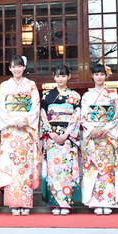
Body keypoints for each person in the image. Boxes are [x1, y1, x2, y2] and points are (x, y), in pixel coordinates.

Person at [0, 55, 41, 216]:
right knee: (11, 166)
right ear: (9, 68)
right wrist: (13, 121)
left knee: (25, 166)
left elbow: (35, 106)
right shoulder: (4, 86)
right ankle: (14, 203)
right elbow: (0, 107)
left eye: (19, 66)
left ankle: (25, 203)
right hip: (11, 131)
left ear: (24, 67)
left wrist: (25, 120)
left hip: (25, 132)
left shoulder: (31, 85)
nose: (16, 69)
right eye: (13, 66)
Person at [80, 63, 118, 215]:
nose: (99, 77)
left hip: (107, 137)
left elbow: (117, 114)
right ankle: (96, 201)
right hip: (94, 137)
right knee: (94, 168)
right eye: (96, 74)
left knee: (107, 168)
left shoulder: (113, 95)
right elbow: (83, 117)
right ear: (92, 75)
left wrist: (106, 129)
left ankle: (108, 200)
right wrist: (92, 130)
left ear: (106, 76)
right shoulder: (87, 96)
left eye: (101, 74)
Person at [40, 64, 81, 215]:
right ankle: (54, 203)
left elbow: (77, 116)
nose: (60, 79)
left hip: (67, 138)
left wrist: (67, 134)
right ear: (54, 77)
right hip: (52, 137)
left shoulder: (75, 96)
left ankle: (66, 203)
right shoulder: (47, 96)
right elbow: (43, 115)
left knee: (66, 170)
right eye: (58, 76)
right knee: (54, 170)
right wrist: (51, 132)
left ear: (69, 76)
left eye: (63, 76)